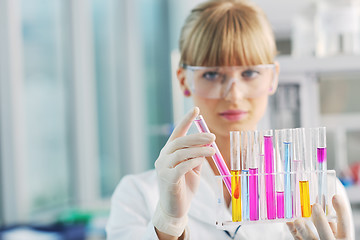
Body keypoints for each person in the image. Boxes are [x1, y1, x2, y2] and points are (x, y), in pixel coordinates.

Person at [106, 0, 354, 239]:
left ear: (272, 77)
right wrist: (167, 224)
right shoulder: (138, 196)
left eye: (249, 72)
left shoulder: (322, 192)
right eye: (213, 74)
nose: (234, 95)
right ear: (183, 80)